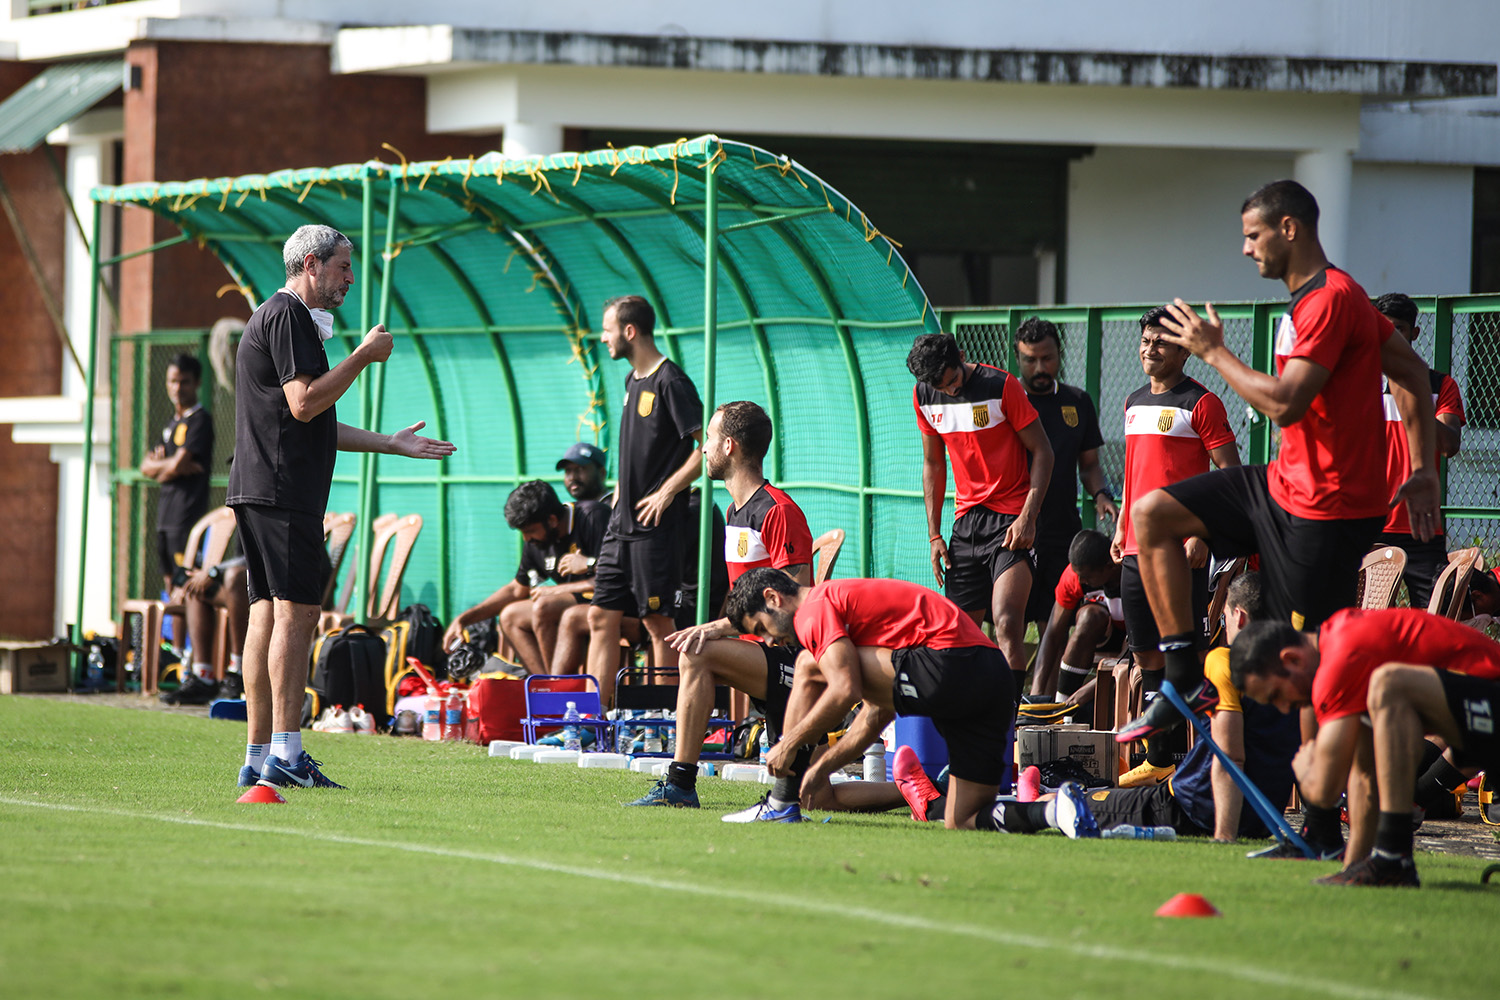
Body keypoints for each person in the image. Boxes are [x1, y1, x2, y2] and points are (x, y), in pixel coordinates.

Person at [1119, 179, 1440, 746]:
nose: (1245, 248)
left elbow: (1287, 404)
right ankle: (1182, 678)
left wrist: (1213, 351)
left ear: (1288, 229)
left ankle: (1330, 817)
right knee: (1152, 517)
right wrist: (1421, 469)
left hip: (1327, 509)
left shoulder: (1332, 301)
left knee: (1310, 668)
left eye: (1253, 235)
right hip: (1282, 485)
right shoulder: (1326, 298)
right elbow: (1412, 373)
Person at [231, 224, 455, 789]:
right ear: (311, 264)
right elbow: (304, 404)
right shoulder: (288, 316)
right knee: (297, 613)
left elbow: (311, 419)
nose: (350, 279)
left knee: (266, 614)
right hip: (282, 493)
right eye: (342, 268)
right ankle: (286, 750)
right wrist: (362, 356)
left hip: (262, 489)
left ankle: (259, 756)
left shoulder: (280, 318)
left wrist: (391, 442)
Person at [723, 568, 1098, 838]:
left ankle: (781, 801)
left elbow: (845, 689)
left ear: (773, 598)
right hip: (993, 680)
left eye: (761, 629)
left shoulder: (813, 608)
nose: (769, 642)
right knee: (964, 818)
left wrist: (787, 745)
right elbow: (875, 713)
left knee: (807, 664)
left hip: (952, 664)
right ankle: (1055, 811)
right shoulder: (865, 630)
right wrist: (822, 769)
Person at [626, 400, 815, 817]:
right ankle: (929, 792)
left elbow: (797, 612)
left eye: (708, 439)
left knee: (697, 651)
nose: (704, 449)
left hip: (792, 663)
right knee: (819, 799)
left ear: (728, 446)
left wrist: (717, 628)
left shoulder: (777, 510)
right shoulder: (733, 511)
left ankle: (679, 784)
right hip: (759, 658)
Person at [1230, 607, 1500, 884]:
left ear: (1292, 659)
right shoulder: (1338, 648)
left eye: (1276, 695)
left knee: (1389, 684)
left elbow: (1325, 791)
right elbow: (1363, 774)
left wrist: (1304, 768)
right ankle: (1379, 863)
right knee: (1369, 742)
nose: (1284, 709)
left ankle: (1393, 859)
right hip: (1480, 726)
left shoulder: (1339, 660)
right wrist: (1352, 868)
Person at [1066, 572, 1300, 842]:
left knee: (1078, 801)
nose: (1224, 627)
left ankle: (1021, 807)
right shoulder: (1297, 670)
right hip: (1259, 822)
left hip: (1190, 809)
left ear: (1240, 616)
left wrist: (1224, 836)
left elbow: (1231, 757)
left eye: (1224, 619)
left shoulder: (1226, 661)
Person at [1114, 306, 1239, 787]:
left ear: (1184, 349)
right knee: (1146, 655)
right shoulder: (1132, 401)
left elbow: (1229, 479)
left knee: (1181, 656)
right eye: (1145, 341)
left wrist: (1201, 534)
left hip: (1179, 550)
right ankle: (1160, 757)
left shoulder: (1201, 404)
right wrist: (1121, 526)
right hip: (1132, 549)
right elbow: (1133, 479)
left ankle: (1198, 765)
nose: (1150, 349)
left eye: (1161, 342)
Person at [907, 332, 1053, 694]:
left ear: (961, 356)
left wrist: (1028, 517)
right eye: (942, 387)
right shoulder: (925, 395)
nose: (951, 390)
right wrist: (934, 534)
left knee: (1006, 621)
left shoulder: (1001, 385)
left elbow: (1044, 452)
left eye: (953, 380)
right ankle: (966, 720)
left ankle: (1008, 721)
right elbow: (932, 463)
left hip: (1010, 521)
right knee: (958, 634)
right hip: (965, 524)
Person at [585, 295, 704, 707]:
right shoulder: (631, 380)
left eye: (608, 329)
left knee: (658, 624)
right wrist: (621, 490)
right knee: (600, 617)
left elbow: (704, 449)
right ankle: (594, 719)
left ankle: (665, 721)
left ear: (629, 331)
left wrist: (668, 491)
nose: (603, 338)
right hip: (621, 527)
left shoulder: (671, 381)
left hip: (655, 529)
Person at [1013, 317, 1118, 641]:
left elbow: (1088, 464)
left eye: (1047, 358)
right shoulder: (1008, 399)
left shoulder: (1077, 401)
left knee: (1055, 619)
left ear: (1060, 354)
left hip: (1061, 527)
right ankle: (1007, 687)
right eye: (1030, 360)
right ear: (1018, 359)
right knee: (1009, 617)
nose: (1039, 367)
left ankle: (1050, 689)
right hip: (1013, 523)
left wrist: (1100, 493)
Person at [441, 480, 609, 675]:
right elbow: (516, 590)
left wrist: (583, 568)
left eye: (529, 531)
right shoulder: (535, 541)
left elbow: (617, 576)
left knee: (545, 605)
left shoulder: (593, 517)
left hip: (610, 605)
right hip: (573, 604)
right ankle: (544, 685)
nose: (526, 539)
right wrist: (464, 619)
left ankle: (558, 687)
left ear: (552, 520)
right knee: (511, 616)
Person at [1372, 293, 1465, 610]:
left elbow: (1449, 444)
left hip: (1422, 529)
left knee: (1434, 621)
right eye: (1383, 329)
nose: (1390, 337)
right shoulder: (1356, 384)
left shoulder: (1440, 385)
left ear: (1414, 333)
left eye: (1398, 329)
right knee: (1362, 623)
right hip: (1368, 524)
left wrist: (1413, 396)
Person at [139, 352, 213, 670]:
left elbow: (180, 463)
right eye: (172, 380)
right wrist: (167, 467)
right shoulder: (172, 425)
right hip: (164, 518)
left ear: (196, 383)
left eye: (184, 381)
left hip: (186, 518)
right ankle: (176, 654)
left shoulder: (200, 420)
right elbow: (145, 466)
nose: (177, 387)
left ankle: (192, 661)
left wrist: (164, 467)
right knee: (171, 585)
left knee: (186, 587)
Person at [1029, 529, 1124, 710]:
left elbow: (1137, 646)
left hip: (1133, 639)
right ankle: (1063, 709)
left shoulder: (1133, 574)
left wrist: (1093, 687)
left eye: (1086, 577)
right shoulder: (1075, 576)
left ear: (1110, 566)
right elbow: (1052, 634)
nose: (1080, 579)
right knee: (1090, 617)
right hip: (1101, 633)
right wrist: (1036, 695)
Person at [159, 555, 250, 705]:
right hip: (243, 585)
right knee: (194, 585)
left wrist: (213, 572)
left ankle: (239, 673)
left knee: (235, 576)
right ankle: (203, 677)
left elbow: (258, 553)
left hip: (274, 585)